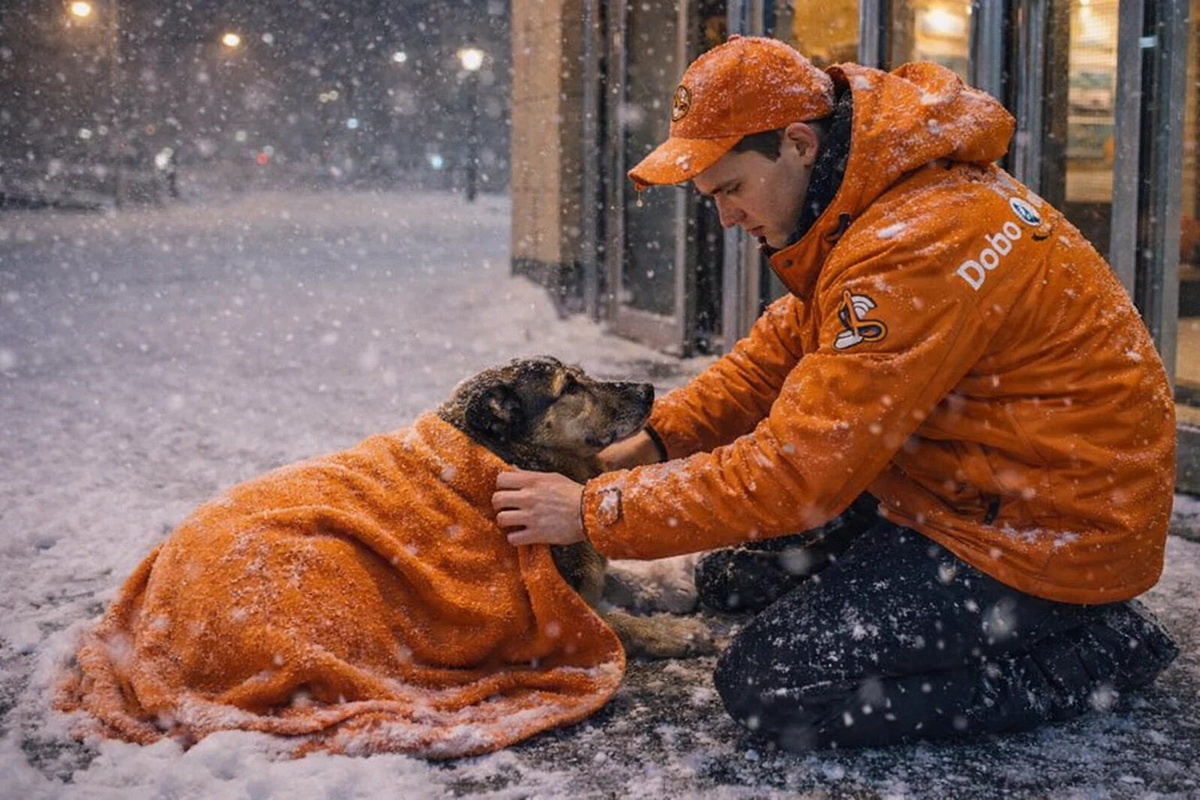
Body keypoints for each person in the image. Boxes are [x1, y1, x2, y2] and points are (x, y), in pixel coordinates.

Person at [492, 35, 1178, 750]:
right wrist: (649, 444)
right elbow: (772, 362)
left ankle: (1092, 653)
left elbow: (795, 475)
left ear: (797, 144)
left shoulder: (914, 246)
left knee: (775, 687)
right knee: (736, 576)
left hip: (1048, 534)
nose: (725, 218)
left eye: (730, 189)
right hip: (971, 488)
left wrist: (593, 511)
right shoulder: (874, 200)